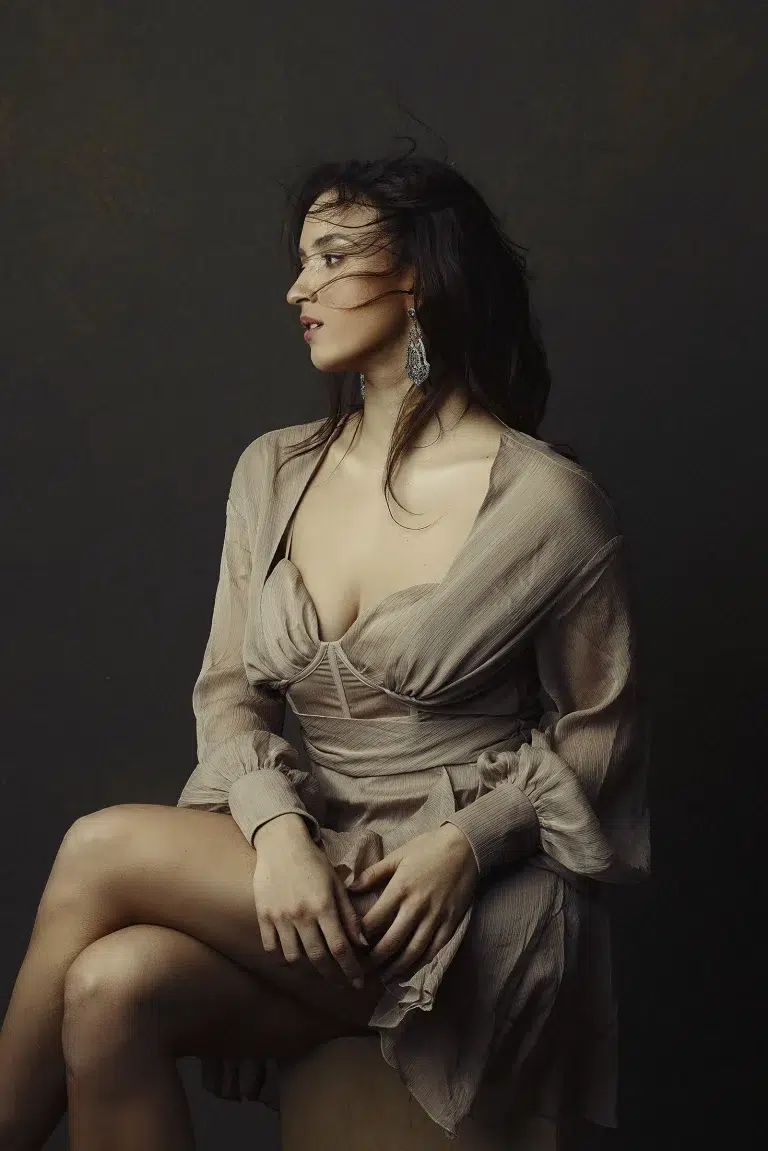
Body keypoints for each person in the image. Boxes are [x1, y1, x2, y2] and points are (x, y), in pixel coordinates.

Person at [0, 144, 650, 1150]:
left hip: (440, 900)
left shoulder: (549, 504)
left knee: (99, 846)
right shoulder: (273, 470)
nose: (297, 289)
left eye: (331, 258)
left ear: (418, 277)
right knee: (106, 987)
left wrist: (468, 844)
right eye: (301, 261)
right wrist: (276, 831)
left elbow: (604, 736)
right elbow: (228, 691)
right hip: (306, 868)